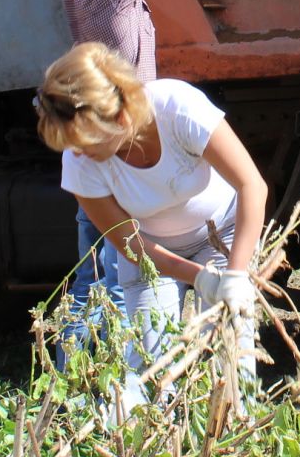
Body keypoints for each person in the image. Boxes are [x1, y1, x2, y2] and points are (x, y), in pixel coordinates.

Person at [34, 42, 267, 404]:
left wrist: (234, 277)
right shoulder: (80, 164)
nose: (78, 152)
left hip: (221, 236)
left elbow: (252, 184)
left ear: (119, 116)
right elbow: (131, 244)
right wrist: (199, 278)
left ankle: (236, 433)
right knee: (150, 370)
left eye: (86, 141)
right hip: (149, 257)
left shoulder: (178, 108)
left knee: (232, 361)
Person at [54, 0, 210, 344]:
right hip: (120, 151)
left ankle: (74, 390)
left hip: (100, 148)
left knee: (92, 279)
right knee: (114, 282)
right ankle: (101, 392)